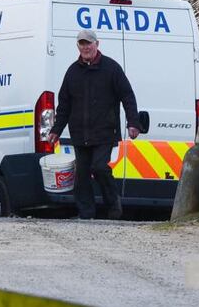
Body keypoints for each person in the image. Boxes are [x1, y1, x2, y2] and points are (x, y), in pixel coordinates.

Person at [47, 29, 141, 220]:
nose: (85, 47)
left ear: (97, 44)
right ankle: (86, 213)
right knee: (81, 174)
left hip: (104, 131)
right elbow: (64, 104)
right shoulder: (72, 72)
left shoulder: (111, 68)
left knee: (99, 167)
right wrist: (56, 130)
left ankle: (113, 204)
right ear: (78, 46)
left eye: (89, 43)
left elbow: (127, 97)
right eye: (82, 44)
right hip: (80, 133)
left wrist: (133, 123)